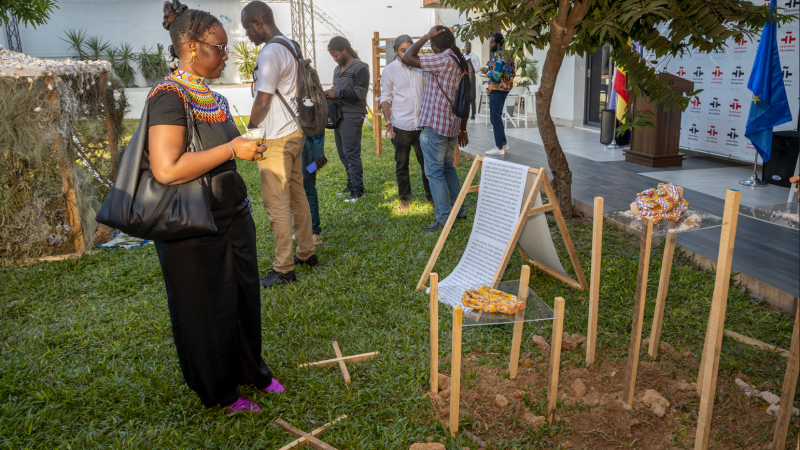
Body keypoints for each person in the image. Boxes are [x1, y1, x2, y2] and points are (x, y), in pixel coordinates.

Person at [149, 0, 283, 415]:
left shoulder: (212, 96)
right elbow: (167, 168)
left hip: (231, 217)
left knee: (242, 298)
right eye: (218, 47)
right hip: (193, 226)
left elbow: (222, 152)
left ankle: (250, 370)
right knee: (207, 308)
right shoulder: (168, 98)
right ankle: (220, 390)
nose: (226, 55)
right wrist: (231, 147)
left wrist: (244, 150)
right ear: (190, 47)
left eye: (226, 48)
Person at [242, 0, 319, 288]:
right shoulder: (290, 45)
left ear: (258, 22)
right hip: (296, 133)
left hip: (275, 137)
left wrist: (250, 130)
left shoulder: (271, 51)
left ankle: (284, 268)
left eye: (248, 27)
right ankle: (306, 253)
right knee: (298, 195)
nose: (247, 34)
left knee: (277, 204)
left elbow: (263, 99)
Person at [401, 26, 470, 232]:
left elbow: (407, 57)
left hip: (435, 127)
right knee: (448, 169)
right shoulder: (459, 61)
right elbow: (467, 98)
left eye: (431, 43)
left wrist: (425, 35)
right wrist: (462, 129)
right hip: (451, 126)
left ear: (434, 45)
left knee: (434, 173)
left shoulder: (442, 60)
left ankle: (443, 219)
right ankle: (459, 211)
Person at [380, 34, 432, 212]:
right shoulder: (389, 70)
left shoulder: (421, 67)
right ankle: (405, 199)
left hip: (422, 125)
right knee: (402, 164)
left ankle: (431, 197)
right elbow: (385, 98)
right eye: (403, 50)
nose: (407, 53)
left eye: (411, 49)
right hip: (401, 125)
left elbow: (427, 92)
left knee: (426, 163)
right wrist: (388, 120)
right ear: (396, 51)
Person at [325, 36, 369, 203]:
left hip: (352, 116)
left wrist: (337, 93)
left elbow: (360, 93)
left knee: (352, 154)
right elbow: (338, 89)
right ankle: (351, 185)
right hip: (338, 115)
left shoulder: (360, 68)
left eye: (336, 55)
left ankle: (358, 191)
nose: (335, 59)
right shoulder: (338, 69)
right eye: (332, 56)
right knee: (343, 153)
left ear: (345, 50)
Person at [482, 32, 515, 156]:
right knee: (496, 117)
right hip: (505, 88)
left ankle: (499, 147)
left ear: (498, 44)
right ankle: (504, 143)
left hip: (497, 89)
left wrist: (486, 71)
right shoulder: (506, 55)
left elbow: (496, 76)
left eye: (492, 42)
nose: (489, 44)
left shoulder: (500, 57)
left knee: (495, 117)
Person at [303, 133, 326, 244]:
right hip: (292, 149)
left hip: (308, 152)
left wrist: (318, 153)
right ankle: (302, 229)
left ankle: (315, 231)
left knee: (308, 187)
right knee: (294, 190)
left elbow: (317, 125)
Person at [464, 42, 481, 120]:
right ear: (465, 47)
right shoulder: (462, 56)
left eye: (469, 46)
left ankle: (473, 113)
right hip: (464, 76)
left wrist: (472, 70)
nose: (468, 47)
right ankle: (465, 112)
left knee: (472, 95)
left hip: (472, 76)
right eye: (466, 46)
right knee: (465, 93)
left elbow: (478, 68)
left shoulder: (474, 56)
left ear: (471, 47)